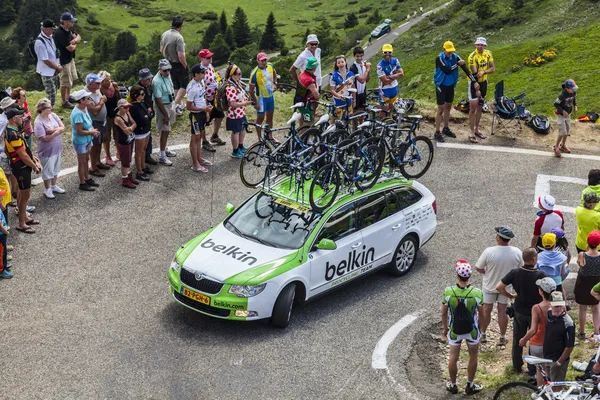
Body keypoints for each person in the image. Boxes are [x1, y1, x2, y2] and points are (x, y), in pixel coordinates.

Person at [496, 248, 546, 375]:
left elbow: (499, 287)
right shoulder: (540, 275)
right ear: (534, 259)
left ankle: (517, 365)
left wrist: (511, 296)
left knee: (518, 337)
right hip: (535, 312)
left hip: (519, 310)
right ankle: (532, 368)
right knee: (534, 339)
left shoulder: (515, 272)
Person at [475, 226, 523, 345]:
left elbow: (478, 267)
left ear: (498, 238)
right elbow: (521, 268)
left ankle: (483, 334)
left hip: (489, 286)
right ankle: (502, 336)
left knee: (486, 310)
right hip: (506, 288)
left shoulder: (489, 251)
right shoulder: (517, 252)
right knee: (502, 310)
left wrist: (485, 273)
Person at [442, 260, 484, 395]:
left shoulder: (448, 291)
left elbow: (443, 312)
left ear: (457, 275)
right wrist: (482, 329)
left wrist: (445, 328)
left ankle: (453, 385)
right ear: (470, 276)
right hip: (472, 330)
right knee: (473, 356)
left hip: (454, 330)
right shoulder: (477, 293)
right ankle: (470, 385)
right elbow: (482, 313)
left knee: (453, 356)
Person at [3, 108, 41, 234]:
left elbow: (24, 149)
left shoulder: (13, 130)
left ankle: (24, 217)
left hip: (20, 165)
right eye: (20, 116)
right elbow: (22, 155)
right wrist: (34, 166)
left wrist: (32, 157)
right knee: (25, 195)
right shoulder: (12, 134)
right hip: (21, 167)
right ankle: (21, 224)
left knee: (21, 193)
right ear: (14, 119)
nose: (23, 118)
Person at [433, 41, 478, 143]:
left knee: (448, 107)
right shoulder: (439, 58)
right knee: (441, 109)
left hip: (450, 85)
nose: (450, 53)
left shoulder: (455, 56)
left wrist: (474, 81)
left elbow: (465, 69)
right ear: (443, 49)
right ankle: (437, 132)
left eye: (451, 51)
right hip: (441, 85)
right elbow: (447, 70)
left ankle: (446, 128)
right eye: (448, 51)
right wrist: (457, 64)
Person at [519, 277, 557, 386]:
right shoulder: (559, 306)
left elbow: (533, 330)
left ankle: (541, 392)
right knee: (553, 368)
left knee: (540, 370)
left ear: (541, 291)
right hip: (553, 342)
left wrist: (523, 340)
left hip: (538, 343)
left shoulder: (537, 308)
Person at [33, 98, 65, 199]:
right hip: (47, 150)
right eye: (48, 108)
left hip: (57, 148)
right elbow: (43, 138)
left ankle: (54, 185)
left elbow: (62, 127)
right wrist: (56, 133)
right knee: (47, 170)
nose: (51, 109)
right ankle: (47, 189)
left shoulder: (53, 115)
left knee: (55, 168)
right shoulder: (38, 122)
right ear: (42, 109)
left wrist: (53, 131)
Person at [543, 291, 575, 390]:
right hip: (547, 357)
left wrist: (559, 362)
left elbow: (570, 346)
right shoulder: (548, 314)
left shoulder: (568, 323)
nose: (558, 309)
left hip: (558, 359)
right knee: (548, 385)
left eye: (560, 306)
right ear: (550, 305)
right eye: (555, 306)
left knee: (556, 388)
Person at [70, 89, 100, 192]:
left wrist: (92, 130)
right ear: (81, 100)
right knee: (82, 162)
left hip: (87, 139)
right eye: (87, 98)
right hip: (80, 141)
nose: (90, 100)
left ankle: (87, 178)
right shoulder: (77, 113)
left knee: (86, 159)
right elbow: (79, 131)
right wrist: (91, 132)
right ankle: (82, 183)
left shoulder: (84, 108)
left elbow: (88, 124)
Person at [127, 68, 158, 166]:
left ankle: (147, 156)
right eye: (146, 79)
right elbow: (129, 102)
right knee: (141, 141)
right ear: (141, 79)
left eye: (150, 79)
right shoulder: (136, 89)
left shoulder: (149, 86)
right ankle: (142, 161)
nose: (149, 81)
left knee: (149, 137)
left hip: (147, 114)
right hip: (140, 116)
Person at [186, 64, 213, 173]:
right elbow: (188, 106)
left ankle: (199, 158)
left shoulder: (200, 83)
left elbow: (202, 97)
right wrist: (203, 109)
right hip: (195, 115)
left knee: (199, 137)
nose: (204, 74)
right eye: (202, 73)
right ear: (196, 74)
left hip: (201, 113)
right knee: (195, 138)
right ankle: (195, 164)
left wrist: (205, 111)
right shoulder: (192, 88)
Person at [467, 37, 494, 142]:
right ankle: (471, 132)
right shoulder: (472, 56)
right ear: (475, 45)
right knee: (473, 108)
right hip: (474, 82)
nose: (479, 46)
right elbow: (474, 74)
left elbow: (492, 68)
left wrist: (484, 72)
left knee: (480, 106)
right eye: (478, 44)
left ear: (485, 46)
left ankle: (477, 129)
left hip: (484, 82)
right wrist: (476, 87)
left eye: (482, 45)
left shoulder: (488, 53)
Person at [160, 15, 188, 116]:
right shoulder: (179, 37)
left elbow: (161, 50)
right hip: (178, 63)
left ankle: (177, 108)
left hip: (168, 63)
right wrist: (185, 65)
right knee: (184, 85)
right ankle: (174, 105)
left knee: (176, 85)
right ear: (180, 26)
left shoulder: (165, 34)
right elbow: (181, 55)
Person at [575, 230, 600, 342]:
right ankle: (596, 332)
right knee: (595, 308)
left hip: (583, 283)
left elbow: (580, 264)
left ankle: (582, 332)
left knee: (582, 308)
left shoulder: (582, 254)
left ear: (587, 241)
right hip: (595, 283)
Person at [198, 49, 226, 147]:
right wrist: (204, 103)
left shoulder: (210, 66)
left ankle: (214, 135)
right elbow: (201, 86)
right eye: (208, 58)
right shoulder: (200, 70)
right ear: (202, 58)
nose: (210, 59)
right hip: (206, 99)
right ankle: (204, 141)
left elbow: (214, 78)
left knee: (220, 116)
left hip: (215, 97)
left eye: (211, 57)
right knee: (205, 120)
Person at [53, 12, 81, 109]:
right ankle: (64, 101)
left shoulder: (69, 30)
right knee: (64, 82)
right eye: (71, 21)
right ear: (65, 22)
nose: (72, 23)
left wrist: (74, 41)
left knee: (70, 79)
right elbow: (70, 48)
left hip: (70, 59)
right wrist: (75, 43)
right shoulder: (59, 33)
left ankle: (68, 97)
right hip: (63, 61)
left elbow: (78, 37)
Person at [249, 52, 278, 143]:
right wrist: (255, 102)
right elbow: (250, 90)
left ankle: (270, 136)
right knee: (260, 118)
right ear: (257, 61)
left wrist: (275, 82)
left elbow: (274, 72)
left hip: (270, 97)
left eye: (265, 60)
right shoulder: (254, 73)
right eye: (262, 60)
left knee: (270, 118)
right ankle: (259, 139)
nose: (264, 62)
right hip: (261, 98)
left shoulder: (270, 66)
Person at [153, 59, 177, 166]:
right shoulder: (156, 81)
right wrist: (165, 114)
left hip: (170, 103)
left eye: (169, 70)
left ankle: (165, 149)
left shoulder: (168, 75)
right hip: (162, 106)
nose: (167, 72)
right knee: (164, 130)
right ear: (160, 69)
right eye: (165, 70)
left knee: (167, 129)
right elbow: (158, 100)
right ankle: (162, 156)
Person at [85, 73, 110, 177]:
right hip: (94, 122)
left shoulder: (96, 89)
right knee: (94, 145)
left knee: (99, 143)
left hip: (101, 121)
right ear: (90, 84)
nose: (100, 84)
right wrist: (102, 102)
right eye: (97, 82)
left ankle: (98, 162)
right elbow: (94, 111)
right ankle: (93, 168)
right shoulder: (87, 95)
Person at [224, 64, 251, 159]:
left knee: (242, 129)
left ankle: (240, 146)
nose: (240, 75)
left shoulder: (236, 84)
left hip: (241, 113)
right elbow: (233, 104)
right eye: (239, 74)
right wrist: (246, 103)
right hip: (234, 114)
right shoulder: (230, 87)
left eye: (240, 73)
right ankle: (235, 151)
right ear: (233, 75)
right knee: (236, 132)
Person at [35, 20, 62, 106]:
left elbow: (54, 53)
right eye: (52, 29)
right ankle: (47, 113)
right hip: (47, 72)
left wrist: (58, 65)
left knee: (54, 91)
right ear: (46, 29)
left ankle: (49, 112)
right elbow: (45, 60)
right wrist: (57, 68)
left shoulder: (50, 37)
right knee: (51, 94)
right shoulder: (40, 42)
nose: (53, 31)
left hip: (53, 70)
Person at [129, 85, 152, 182]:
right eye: (142, 94)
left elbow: (151, 113)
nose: (144, 95)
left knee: (143, 149)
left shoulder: (142, 103)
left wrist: (148, 115)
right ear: (136, 95)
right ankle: (139, 171)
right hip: (140, 132)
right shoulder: (134, 107)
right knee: (139, 152)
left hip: (146, 130)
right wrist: (148, 115)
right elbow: (142, 119)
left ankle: (143, 166)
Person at [113, 99, 138, 189]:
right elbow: (127, 131)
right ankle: (125, 179)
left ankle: (128, 175)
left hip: (130, 140)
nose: (127, 109)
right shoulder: (118, 118)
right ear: (120, 108)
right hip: (124, 142)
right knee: (125, 162)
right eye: (125, 107)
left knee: (129, 159)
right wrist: (131, 128)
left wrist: (130, 128)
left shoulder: (127, 114)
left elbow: (134, 124)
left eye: (128, 107)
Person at [98, 71, 120, 166]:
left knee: (118, 135)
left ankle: (119, 153)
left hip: (116, 114)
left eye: (109, 79)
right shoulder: (99, 90)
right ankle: (108, 156)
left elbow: (119, 98)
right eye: (106, 81)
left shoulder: (114, 85)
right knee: (106, 137)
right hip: (106, 116)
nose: (109, 82)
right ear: (102, 82)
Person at [536, 233, 568, 298]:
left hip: (543, 284)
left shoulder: (538, 256)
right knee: (558, 303)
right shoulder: (561, 257)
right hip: (557, 283)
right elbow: (562, 273)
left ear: (543, 244)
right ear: (555, 243)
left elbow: (536, 271)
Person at [376, 44, 404, 117]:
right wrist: (395, 75)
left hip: (394, 88)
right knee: (384, 111)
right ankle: (382, 125)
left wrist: (390, 76)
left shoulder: (395, 60)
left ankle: (390, 123)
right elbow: (385, 81)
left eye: (389, 52)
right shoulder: (380, 66)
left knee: (391, 109)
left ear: (392, 52)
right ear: (382, 53)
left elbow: (402, 73)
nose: (387, 54)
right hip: (384, 90)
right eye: (385, 52)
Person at [0, 97, 19, 205]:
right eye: (12, 105)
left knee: (10, 174)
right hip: (4, 153)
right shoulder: (3, 121)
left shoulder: (3, 118)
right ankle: (7, 200)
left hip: (6, 152)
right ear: (7, 108)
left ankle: (12, 194)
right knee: (6, 177)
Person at [553, 79, 578, 157]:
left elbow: (574, 99)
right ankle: (556, 147)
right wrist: (562, 111)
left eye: (574, 88)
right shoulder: (562, 96)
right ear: (567, 88)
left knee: (567, 131)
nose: (574, 90)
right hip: (561, 115)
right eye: (572, 88)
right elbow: (556, 104)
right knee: (562, 132)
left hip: (568, 115)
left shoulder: (573, 92)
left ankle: (563, 145)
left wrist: (575, 105)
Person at [296, 57, 321, 127]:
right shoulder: (309, 80)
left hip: (299, 101)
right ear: (314, 68)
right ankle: (304, 136)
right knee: (308, 123)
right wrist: (317, 87)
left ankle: (300, 135)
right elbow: (317, 96)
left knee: (302, 119)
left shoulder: (302, 74)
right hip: (307, 104)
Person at [349, 47, 371, 121]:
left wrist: (367, 70)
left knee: (362, 111)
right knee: (355, 112)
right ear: (354, 56)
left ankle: (361, 128)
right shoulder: (353, 67)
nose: (359, 58)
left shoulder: (364, 65)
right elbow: (361, 80)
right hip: (356, 93)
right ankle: (354, 129)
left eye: (361, 56)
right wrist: (367, 70)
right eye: (357, 56)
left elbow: (367, 80)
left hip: (363, 91)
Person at [0, 189, 10, 279]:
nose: (2, 197)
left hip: (2, 234)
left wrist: (0, 203)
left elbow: (3, 208)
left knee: (4, 251)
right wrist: (6, 232)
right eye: (0, 196)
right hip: (1, 234)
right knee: (1, 253)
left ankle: (5, 264)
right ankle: (2, 270)